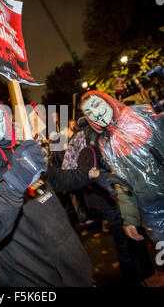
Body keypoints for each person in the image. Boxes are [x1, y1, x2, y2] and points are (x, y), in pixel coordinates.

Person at [0, 91, 131, 287]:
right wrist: (14, 183)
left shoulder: (19, 150)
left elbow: (54, 178)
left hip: (75, 270)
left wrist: (93, 175)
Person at [62, 121, 158, 286]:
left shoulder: (113, 128)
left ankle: (148, 275)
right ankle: (135, 280)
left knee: (135, 233)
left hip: (122, 191)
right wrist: (94, 174)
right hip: (105, 195)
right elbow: (67, 169)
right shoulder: (83, 135)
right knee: (125, 240)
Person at [80, 90, 164, 244]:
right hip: (151, 208)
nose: (95, 113)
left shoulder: (144, 115)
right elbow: (122, 183)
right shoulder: (106, 143)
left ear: (109, 101)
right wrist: (130, 219)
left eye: (97, 104)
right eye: (88, 112)